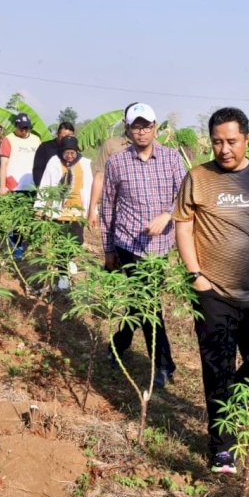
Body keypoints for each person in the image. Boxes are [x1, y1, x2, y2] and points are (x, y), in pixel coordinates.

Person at [173, 107, 249, 474]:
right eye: (216, 142)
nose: (224, 149)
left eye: (231, 141)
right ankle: (222, 448)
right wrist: (195, 274)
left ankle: (231, 404)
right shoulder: (199, 177)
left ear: (246, 139)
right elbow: (183, 226)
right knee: (217, 368)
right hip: (214, 293)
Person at [101, 102, 186, 388]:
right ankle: (164, 365)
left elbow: (187, 196)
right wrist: (108, 248)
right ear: (127, 129)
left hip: (161, 246)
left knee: (140, 302)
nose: (142, 131)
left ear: (155, 127)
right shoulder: (117, 162)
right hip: (129, 245)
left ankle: (117, 345)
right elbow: (108, 207)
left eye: (147, 126)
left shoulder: (172, 159)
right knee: (148, 302)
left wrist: (167, 215)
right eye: (136, 126)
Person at [34, 135, 92, 290]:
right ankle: (63, 275)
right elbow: (45, 184)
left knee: (77, 240)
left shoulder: (85, 164)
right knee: (60, 244)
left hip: (77, 210)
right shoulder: (54, 161)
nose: (70, 156)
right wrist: (40, 207)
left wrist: (94, 211)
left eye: (73, 152)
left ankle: (69, 259)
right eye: (67, 152)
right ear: (61, 151)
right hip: (58, 211)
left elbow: (90, 187)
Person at [0, 112, 41, 258]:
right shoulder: (8, 140)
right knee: (16, 219)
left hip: (32, 185)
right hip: (14, 186)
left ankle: (25, 245)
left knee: (29, 218)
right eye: (21, 127)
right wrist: (2, 186)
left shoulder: (36, 140)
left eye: (26, 128)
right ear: (15, 126)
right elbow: (3, 164)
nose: (24, 131)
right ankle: (16, 247)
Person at [88, 109, 132, 230]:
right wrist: (92, 209)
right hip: (114, 208)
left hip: (144, 211)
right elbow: (100, 177)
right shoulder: (111, 145)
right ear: (125, 122)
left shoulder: (155, 147)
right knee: (114, 247)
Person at [33, 121, 75, 187]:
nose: (66, 140)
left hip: (67, 189)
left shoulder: (74, 150)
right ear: (57, 134)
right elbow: (38, 170)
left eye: (69, 137)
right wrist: (41, 190)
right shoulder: (45, 147)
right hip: (49, 188)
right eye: (63, 137)